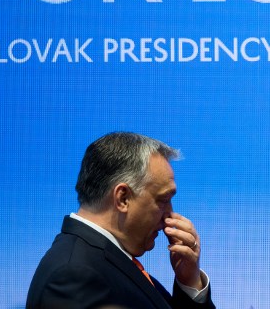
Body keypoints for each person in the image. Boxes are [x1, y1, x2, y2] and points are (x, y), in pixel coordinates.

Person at [26, 131, 215, 309]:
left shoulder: (103, 263)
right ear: (123, 198)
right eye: (163, 200)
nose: (170, 215)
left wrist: (189, 282)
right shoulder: (74, 274)